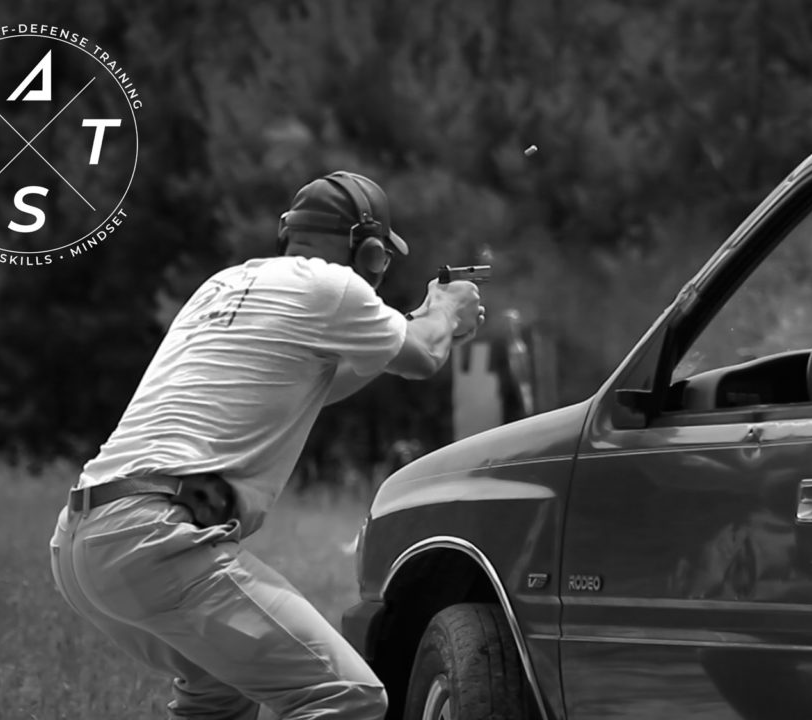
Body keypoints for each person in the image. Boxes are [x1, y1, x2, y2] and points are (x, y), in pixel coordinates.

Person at [47, 171, 484, 719]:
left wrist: (423, 321)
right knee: (347, 697)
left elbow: (317, 383)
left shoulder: (224, 283)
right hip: (152, 536)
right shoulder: (335, 285)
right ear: (369, 252)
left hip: (84, 539)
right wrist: (446, 311)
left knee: (218, 695)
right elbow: (423, 357)